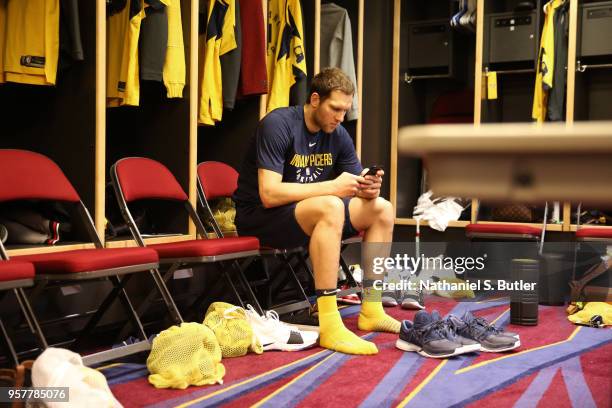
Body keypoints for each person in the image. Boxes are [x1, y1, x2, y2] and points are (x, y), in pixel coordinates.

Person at [233, 67, 398, 355]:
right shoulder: (278, 124)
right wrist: (334, 187)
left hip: (306, 214)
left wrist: (368, 189)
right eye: (335, 108)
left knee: (382, 209)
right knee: (331, 205)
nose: (340, 117)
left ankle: (371, 307)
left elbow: (352, 188)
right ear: (314, 100)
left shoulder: (338, 134)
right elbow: (269, 194)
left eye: (345, 110)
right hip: (260, 218)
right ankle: (329, 322)